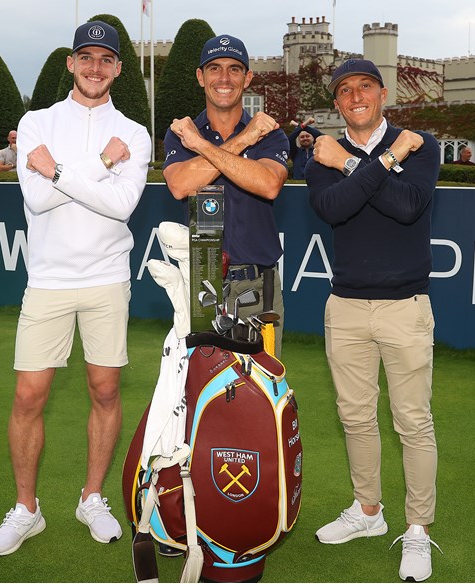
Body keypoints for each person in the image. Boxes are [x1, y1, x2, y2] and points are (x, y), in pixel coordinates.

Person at [0, 20, 150, 557]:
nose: (95, 67)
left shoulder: (134, 132)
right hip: (49, 279)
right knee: (28, 395)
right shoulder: (36, 122)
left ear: (118, 68)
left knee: (105, 390)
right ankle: (26, 509)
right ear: (71, 63)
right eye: (86, 57)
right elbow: (37, 201)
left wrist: (58, 173)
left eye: (106, 59)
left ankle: (92, 497)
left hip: (106, 277)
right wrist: (102, 164)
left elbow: (120, 208)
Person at [306, 59, 442, 583]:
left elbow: (408, 206)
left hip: (405, 306)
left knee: (414, 422)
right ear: (338, 103)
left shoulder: (421, 143)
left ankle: (417, 531)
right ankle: (368, 512)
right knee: (356, 418)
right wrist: (370, 162)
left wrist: (362, 162)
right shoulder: (324, 154)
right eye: (345, 90)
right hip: (345, 306)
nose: (355, 95)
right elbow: (335, 209)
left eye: (364, 86)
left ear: (382, 94)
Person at [163, 34, 290, 356]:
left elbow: (268, 184)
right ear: (200, 76)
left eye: (234, 69)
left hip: (257, 285)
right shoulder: (182, 131)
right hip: (202, 281)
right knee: (201, 391)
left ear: (247, 78)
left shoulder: (269, 132)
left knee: (259, 392)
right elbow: (180, 185)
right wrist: (243, 139)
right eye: (214, 68)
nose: (224, 78)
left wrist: (202, 148)